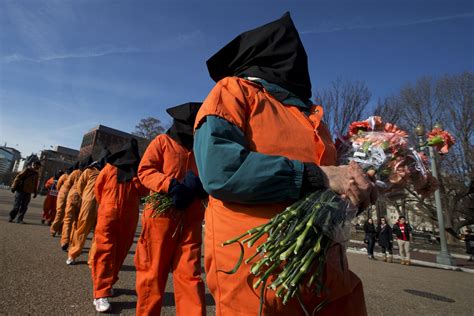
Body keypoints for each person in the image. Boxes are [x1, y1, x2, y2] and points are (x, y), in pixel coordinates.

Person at [193, 12, 376, 315]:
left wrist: (358, 191)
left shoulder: (314, 119)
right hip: (258, 270)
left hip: (326, 271)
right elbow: (220, 170)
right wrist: (317, 176)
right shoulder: (233, 91)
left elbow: (330, 186)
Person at [135, 102, 207, 316]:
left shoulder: (201, 149)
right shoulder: (162, 141)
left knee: (191, 276)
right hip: (161, 219)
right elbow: (145, 171)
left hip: (192, 219)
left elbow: (211, 175)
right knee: (153, 273)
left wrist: (204, 189)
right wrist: (170, 185)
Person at [90, 139, 148, 313]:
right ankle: (100, 292)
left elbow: (143, 191)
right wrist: (106, 207)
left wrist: (105, 206)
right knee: (105, 251)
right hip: (111, 215)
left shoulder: (134, 172)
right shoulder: (109, 168)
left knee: (120, 252)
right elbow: (98, 189)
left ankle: (107, 284)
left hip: (124, 217)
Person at [67, 150, 110, 265]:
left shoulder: (90, 171)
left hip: (89, 204)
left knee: (82, 230)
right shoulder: (109, 171)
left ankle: (73, 255)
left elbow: (80, 186)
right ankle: (92, 260)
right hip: (102, 205)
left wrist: (85, 197)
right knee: (97, 233)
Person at [61, 156, 92, 251]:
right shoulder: (90, 173)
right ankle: (72, 242)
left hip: (72, 198)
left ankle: (65, 241)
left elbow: (67, 185)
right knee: (76, 223)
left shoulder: (75, 172)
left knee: (68, 219)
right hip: (82, 200)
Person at [50, 165, 74, 237]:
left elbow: (58, 186)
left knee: (61, 214)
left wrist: (60, 191)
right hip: (67, 197)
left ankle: (56, 230)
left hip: (63, 196)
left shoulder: (64, 176)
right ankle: (56, 229)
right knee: (62, 214)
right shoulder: (71, 176)